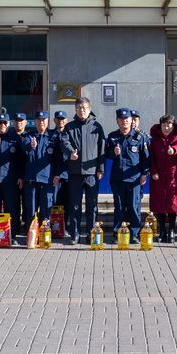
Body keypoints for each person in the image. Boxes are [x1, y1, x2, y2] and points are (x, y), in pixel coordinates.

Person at [60, 97, 106, 245]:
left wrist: (101, 169)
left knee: (92, 206)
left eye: (84, 108)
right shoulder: (69, 127)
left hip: (92, 173)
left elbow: (102, 149)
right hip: (75, 173)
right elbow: (64, 142)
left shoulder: (96, 127)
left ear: (89, 109)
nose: (82, 110)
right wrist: (70, 152)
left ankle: (92, 235)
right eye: (79, 108)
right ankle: (75, 235)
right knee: (75, 206)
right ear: (75, 109)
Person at [106, 108, 150, 242]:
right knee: (119, 207)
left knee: (133, 206)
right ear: (117, 121)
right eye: (121, 119)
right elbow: (106, 154)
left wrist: (144, 174)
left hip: (134, 179)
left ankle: (134, 234)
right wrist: (113, 152)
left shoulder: (139, 137)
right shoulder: (112, 136)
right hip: (117, 178)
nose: (124, 121)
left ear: (131, 120)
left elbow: (146, 158)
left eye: (127, 119)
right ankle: (118, 233)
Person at [149, 114, 177, 243]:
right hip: (158, 177)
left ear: (173, 126)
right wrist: (153, 171)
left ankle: (172, 231)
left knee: (172, 204)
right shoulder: (154, 140)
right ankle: (162, 231)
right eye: (163, 125)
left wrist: (173, 150)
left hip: (173, 177)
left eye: (169, 124)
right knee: (159, 204)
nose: (166, 127)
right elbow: (151, 157)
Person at [20, 111, 60, 225]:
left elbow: (58, 159)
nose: (41, 122)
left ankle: (45, 233)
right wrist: (31, 145)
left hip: (47, 180)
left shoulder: (54, 136)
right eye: (39, 120)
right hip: (31, 180)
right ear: (35, 122)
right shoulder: (29, 136)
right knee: (31, 211)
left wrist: (57, 174)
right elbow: (24, 146)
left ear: (48, 121)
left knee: (46, 210)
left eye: (43, 120)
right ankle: (31, 233)